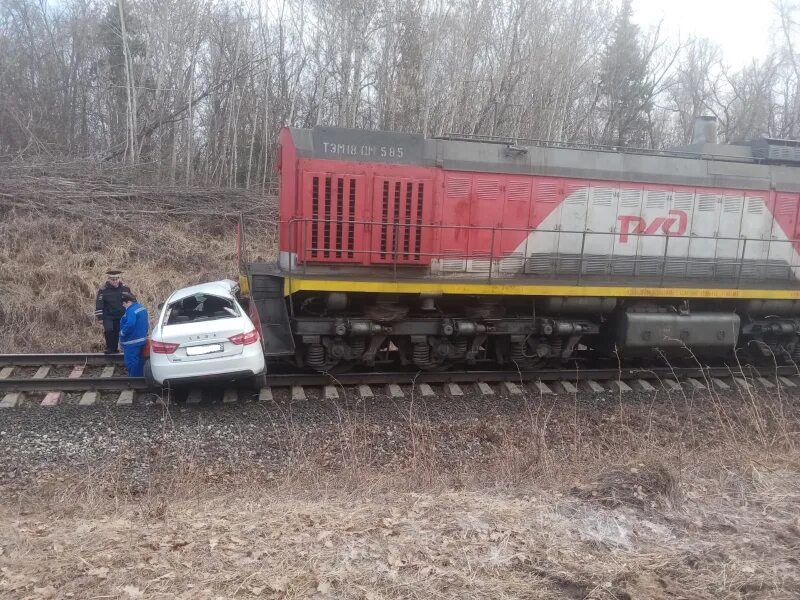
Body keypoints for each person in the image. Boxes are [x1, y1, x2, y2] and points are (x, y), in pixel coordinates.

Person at [95, 270, 132, 354]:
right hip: (108, 315)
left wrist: (131, 313)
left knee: (119, 331)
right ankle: (110, 348)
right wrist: (99, 317)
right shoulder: (103, 290)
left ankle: (120, 349)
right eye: (112, 279)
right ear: (109, 279)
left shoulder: (125, 289)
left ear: (119, 278)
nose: (115, 281)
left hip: (121, 315)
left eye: (116, 279)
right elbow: (99, 303)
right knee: (109, 331)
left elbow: (131, 301)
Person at [119, 292, 149, 377]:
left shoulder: (131, 310)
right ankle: (140, 379)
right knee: (140, 361)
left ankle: (134, 380)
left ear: (128, 302)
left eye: (124, 304)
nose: (124, 306)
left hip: (131, 342)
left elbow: (130, 324)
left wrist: (123, 332)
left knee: (131, 362)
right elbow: (146, 323)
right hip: (141, 340)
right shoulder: (141, 308)